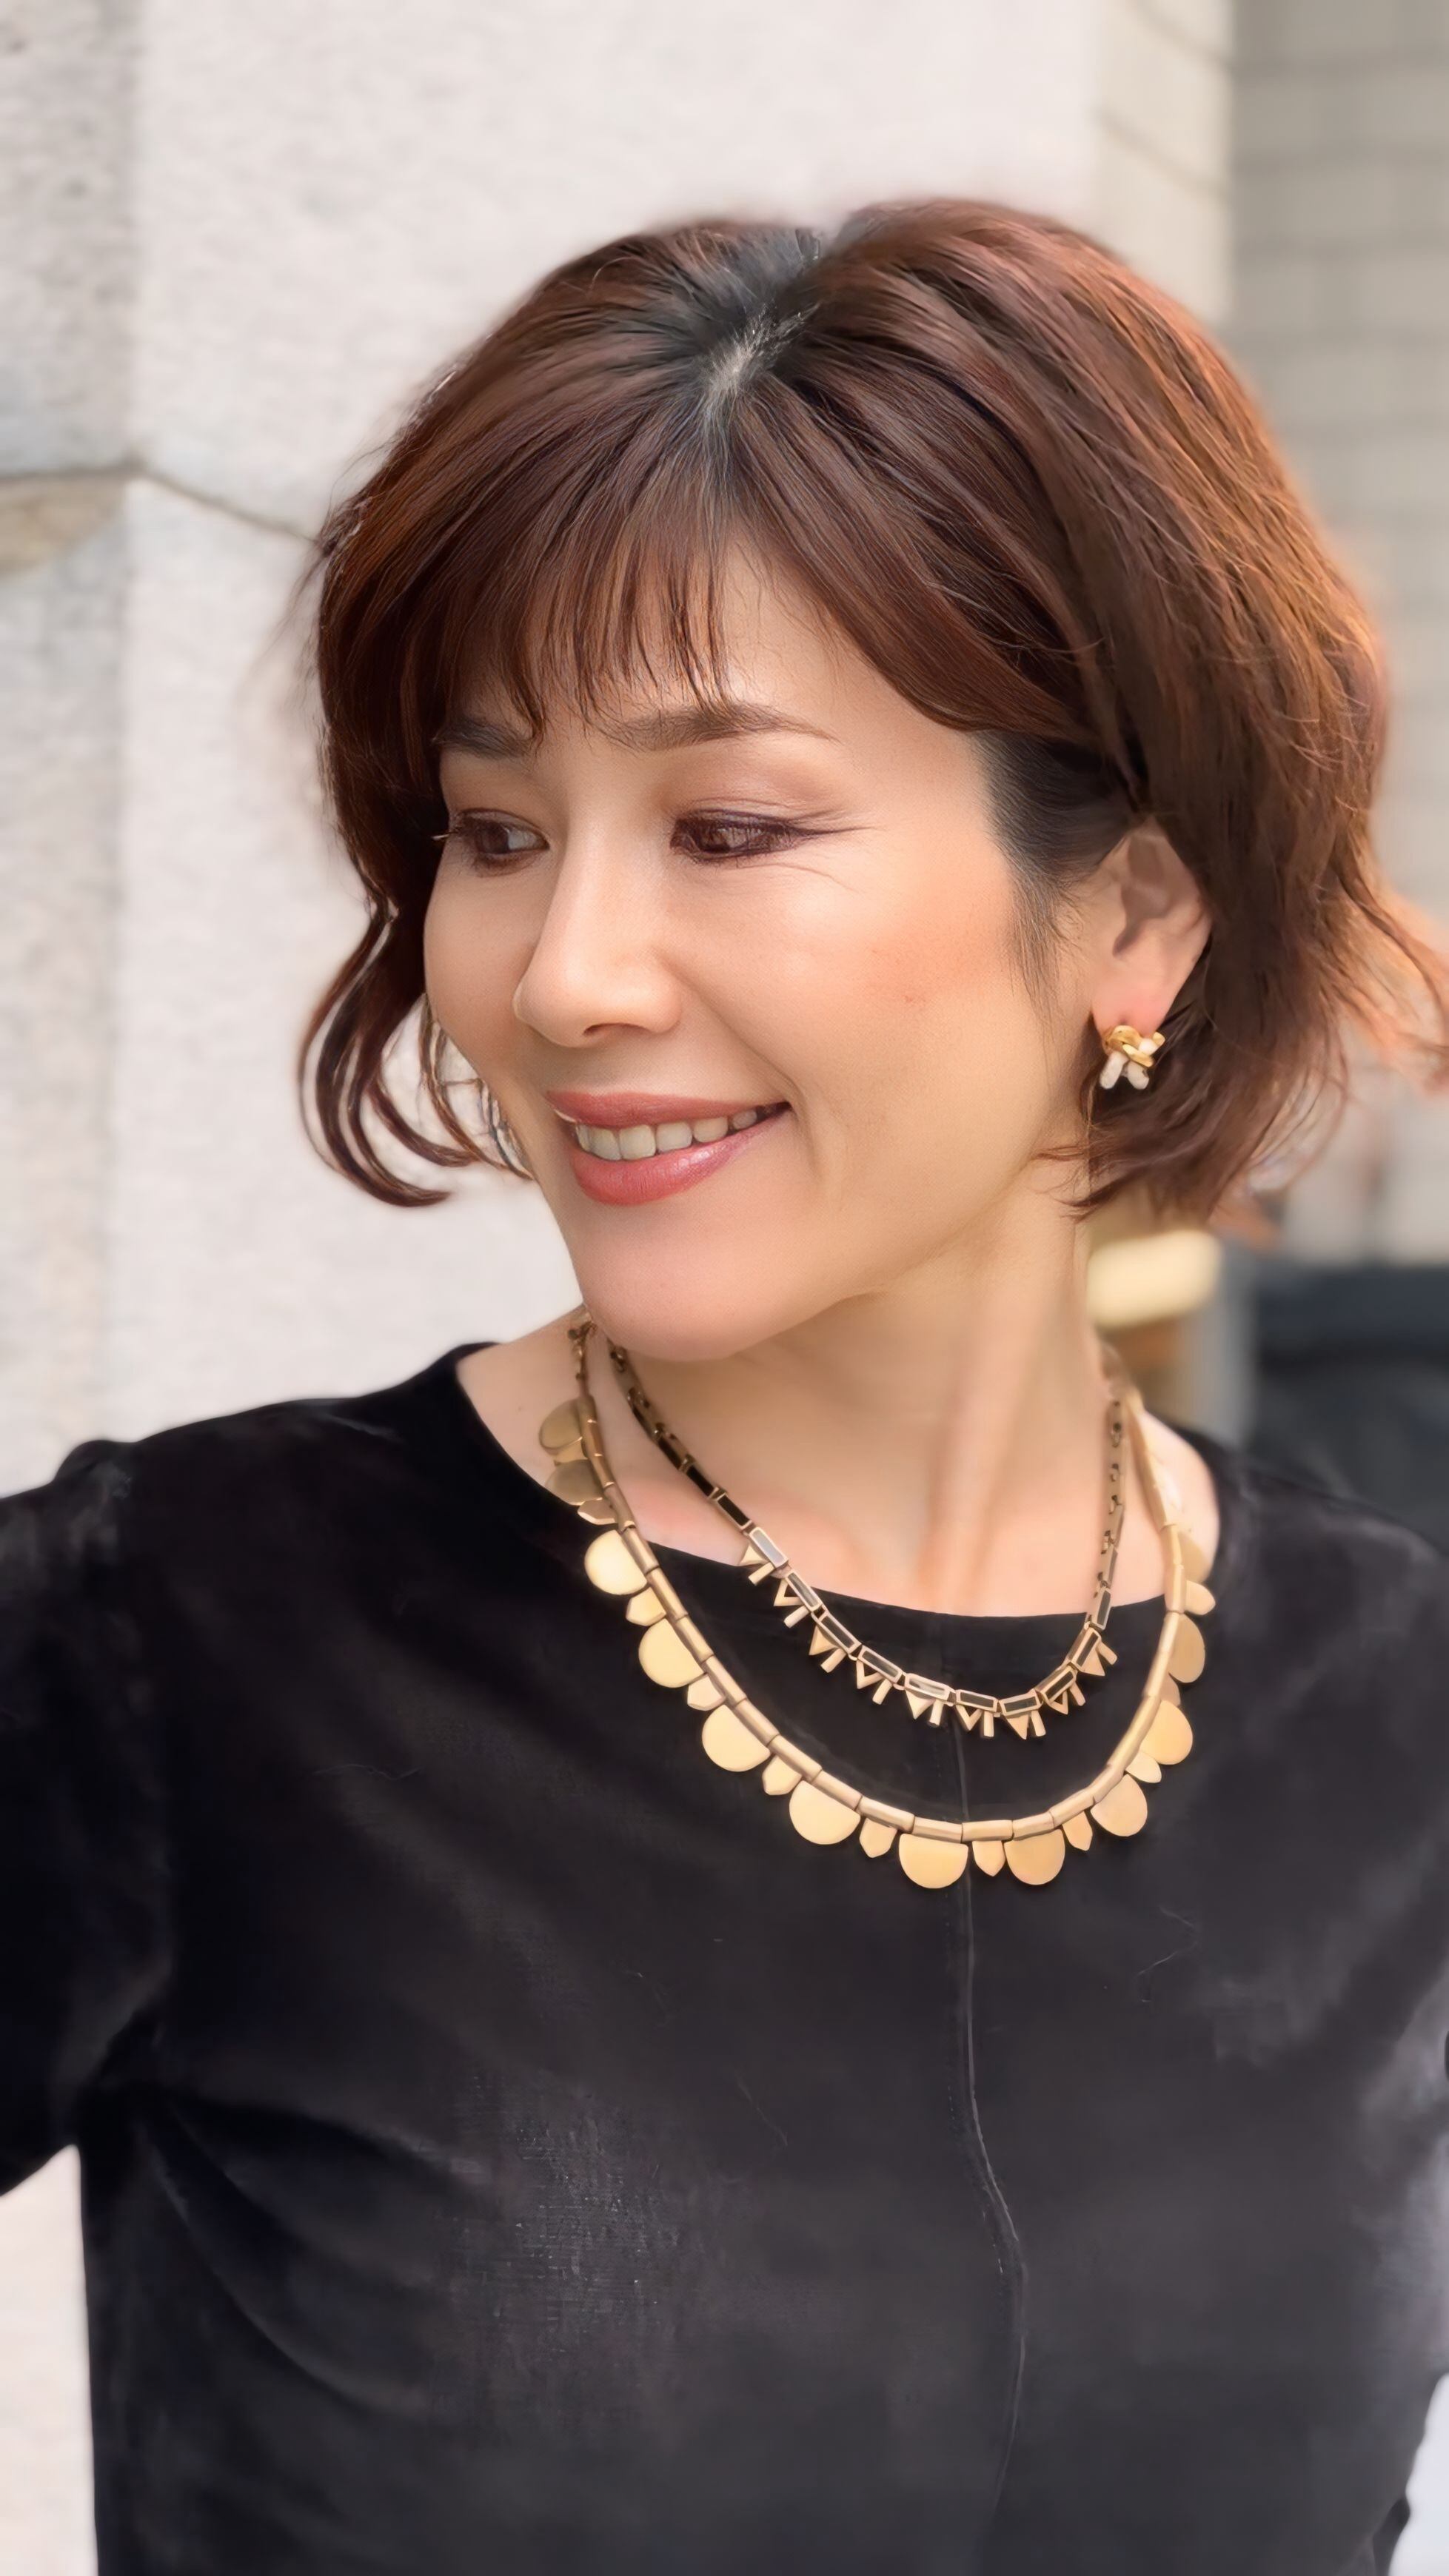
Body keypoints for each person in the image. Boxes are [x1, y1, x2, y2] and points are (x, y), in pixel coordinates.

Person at [4, 201, 1447, 2576]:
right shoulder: (173, 1638)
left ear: (1138, 913)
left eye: (732, 826)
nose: (564, 972)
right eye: (496, 831)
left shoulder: (1395, 1703)